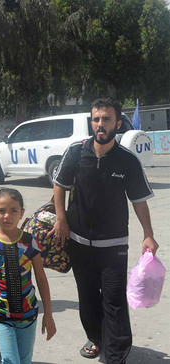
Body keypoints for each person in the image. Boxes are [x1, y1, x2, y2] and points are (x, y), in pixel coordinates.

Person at [52, 98, 158, 363]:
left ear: (117, 123)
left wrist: (148, 234)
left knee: (114, 301)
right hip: (78, 241)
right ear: (92, 122)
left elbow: (139, 199)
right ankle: (97, 338)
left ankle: (116, 353)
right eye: (96, 119)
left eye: (106, 119)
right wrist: (61, 218)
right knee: (87, 298)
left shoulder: (127, 160)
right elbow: (59, 185)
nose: (100, 124)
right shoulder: (76, 152)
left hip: (113, 245)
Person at [0, 188, 56, 364]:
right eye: (1, 210)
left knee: (24, 361)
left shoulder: (29, 241)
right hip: (0, 315)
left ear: (22, 213)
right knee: (11, 361)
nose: (7, 216)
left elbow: (41, 279)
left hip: (28, 315)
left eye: (13, 210)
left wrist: (49, 314)